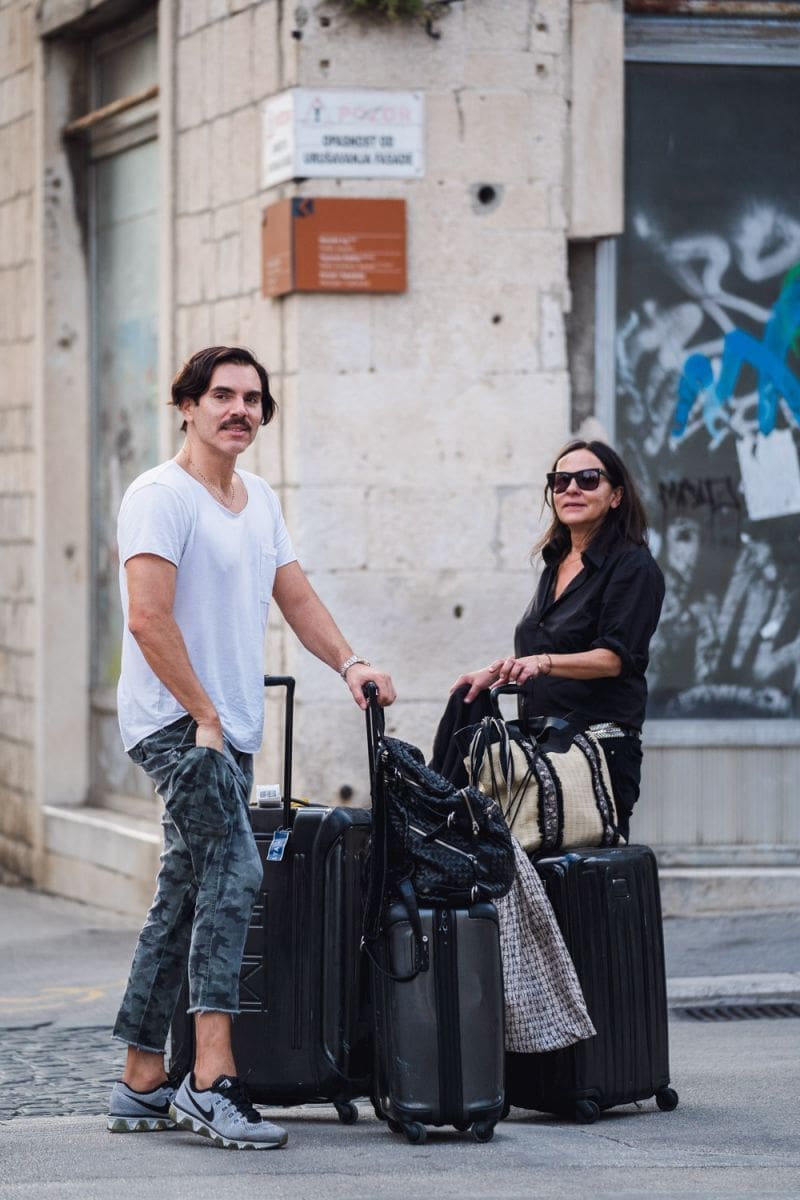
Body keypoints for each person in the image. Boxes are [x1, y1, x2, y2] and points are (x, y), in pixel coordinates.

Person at [106, 346, 396, 1150]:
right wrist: (203, 714)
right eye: (222, 395)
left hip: (225, 728)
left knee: (185, 892)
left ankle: (140, 1077)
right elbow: (147, 617)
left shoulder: (257, 498)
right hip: (179, 724)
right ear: (187, 406)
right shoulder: (160, 496)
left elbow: (293, 594)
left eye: (253, 399)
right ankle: (211, 1080)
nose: (240, 409)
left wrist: (350, 663)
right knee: (234, 873)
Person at [451, 438, 665, 840]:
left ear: (616, 496)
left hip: (598, 750)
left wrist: (542, 663)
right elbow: (545, 647)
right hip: (544, 748)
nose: (572, 489)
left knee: (582, 868)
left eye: (588, 479)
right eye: (561, 480)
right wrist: (498, 672)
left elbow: (616, 658)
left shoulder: (632, 565)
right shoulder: (557, 561)